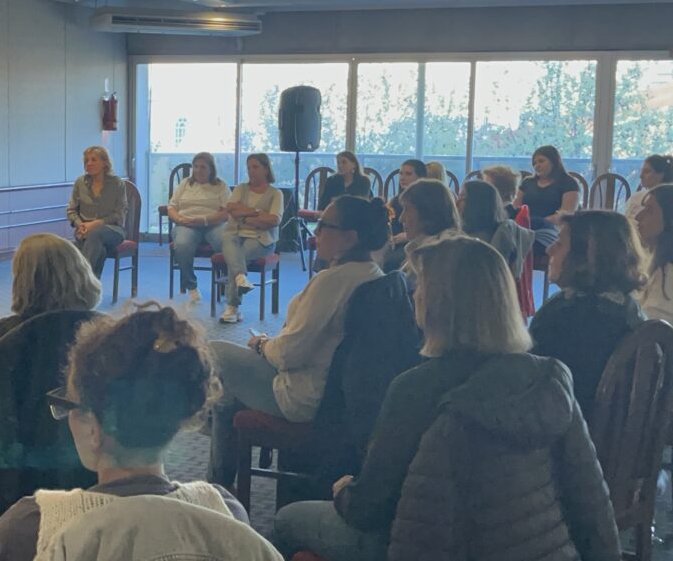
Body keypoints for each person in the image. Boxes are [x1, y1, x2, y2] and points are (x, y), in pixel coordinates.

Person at [275, 237, 620, 561]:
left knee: (287, 520)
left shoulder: (415, 388)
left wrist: (343, 492)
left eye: (421, 286)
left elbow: (371, 509)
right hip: (540, 550)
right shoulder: (550, 377)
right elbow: (591, 498)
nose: (414, 295)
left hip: (427, 545)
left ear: (439, 303)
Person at [0, 305, 248, 561]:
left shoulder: (28, 532)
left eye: (69, 405)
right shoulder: (227, 515)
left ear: (93, 428)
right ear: (178, 418)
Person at [208, 196, 388, 488]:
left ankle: (218, 482)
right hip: (333, 392)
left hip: (302, 395)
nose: (316, 232)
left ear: (349, 238)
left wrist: (262, 345)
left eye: (324, 225)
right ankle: (218, 483)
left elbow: (288, 354)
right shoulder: (373, 274)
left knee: (213, 353)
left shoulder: (332, 281)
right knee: (226, 395)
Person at [0, 233, 102, 467]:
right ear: (81, 272)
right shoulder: (104, 332)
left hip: (21, 464)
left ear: (22, 282)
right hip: (92, 458)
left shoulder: (4, 335)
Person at [530, 210, 646, 417]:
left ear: (585, 259)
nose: (549, 250)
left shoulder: (563, 315)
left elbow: (532, 382)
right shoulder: (629, 311)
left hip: (571, 428)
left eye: (559, 244)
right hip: (616, 429)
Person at [219, 153, 284, 324]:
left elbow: (273, 220)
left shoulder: (275, 194)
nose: (251, 171)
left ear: (266, 169)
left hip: (262, 239)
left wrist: (244, 217)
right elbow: (231, 208)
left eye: (255, 167)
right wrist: (257, 213)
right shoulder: (241, 188)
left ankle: (232, 306)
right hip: (235, 234)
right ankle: (241, 278)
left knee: (236, 257)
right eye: (248, 168)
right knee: (228, 242)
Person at [168, 152, 230, 303]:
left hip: (213, 224)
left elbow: (226, 212)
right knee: (182, 244)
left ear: (211, 169)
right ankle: (191, 286)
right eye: (195, 166)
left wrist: (204, 220)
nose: (198, 170)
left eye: (203, 167)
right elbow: (171, 207)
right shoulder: (185, 184)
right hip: (186, 224)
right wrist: (179, 219)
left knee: (227, 243)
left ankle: (227, 281)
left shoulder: (220, 185)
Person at [66, 146, 128, 279]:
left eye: (93, 160)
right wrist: (80, 225)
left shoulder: (117, 184)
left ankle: (82, 279)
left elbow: (119, 214)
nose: (89, 163)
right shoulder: (80, 183)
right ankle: (91, 285)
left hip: (113, 230)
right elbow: (71, 211)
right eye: (86, 161)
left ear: (105, 162)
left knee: (95, 233)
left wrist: (95, 224)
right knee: (99, 250)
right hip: (84, 231)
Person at [459, 180, 534, 278]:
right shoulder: (494, 231)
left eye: (462, 198)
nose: (457, 202)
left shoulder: (477, 240)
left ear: (476, 204)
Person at [513, 145, 580, 250]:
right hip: (525, 227)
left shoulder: (568, 182)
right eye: (534, 163)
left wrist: (541, 221)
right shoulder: (527, 182)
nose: (537, 166)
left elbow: (566, 214)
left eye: (541, 161)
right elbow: (516, 207)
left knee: (525, 243)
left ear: (554, 161)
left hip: (552, 229)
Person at [398, 179, 462, 278]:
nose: (401, 219)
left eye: (408, 209)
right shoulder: (421, 246)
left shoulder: (441, 254)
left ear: (427, 212)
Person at [636, 184, 673, 323]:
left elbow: (654, 328)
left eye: (649, 210)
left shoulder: (668, 274)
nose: (638, 216)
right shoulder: (651, 260)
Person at [382, 159, 426, 271]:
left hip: (417, 243)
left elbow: (433, 228)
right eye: (401, 174)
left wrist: (407, 236)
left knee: (391, 261)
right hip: (395, 244)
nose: (402, 178)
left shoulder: (427, 201)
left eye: (408, 174)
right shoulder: (396, 201)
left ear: (420, 178)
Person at [626, 154, 673, 221]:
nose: (641, 176)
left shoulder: (667, 202)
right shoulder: (635, 198)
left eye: (646, 172)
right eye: (642, 171)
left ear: (660, 175)